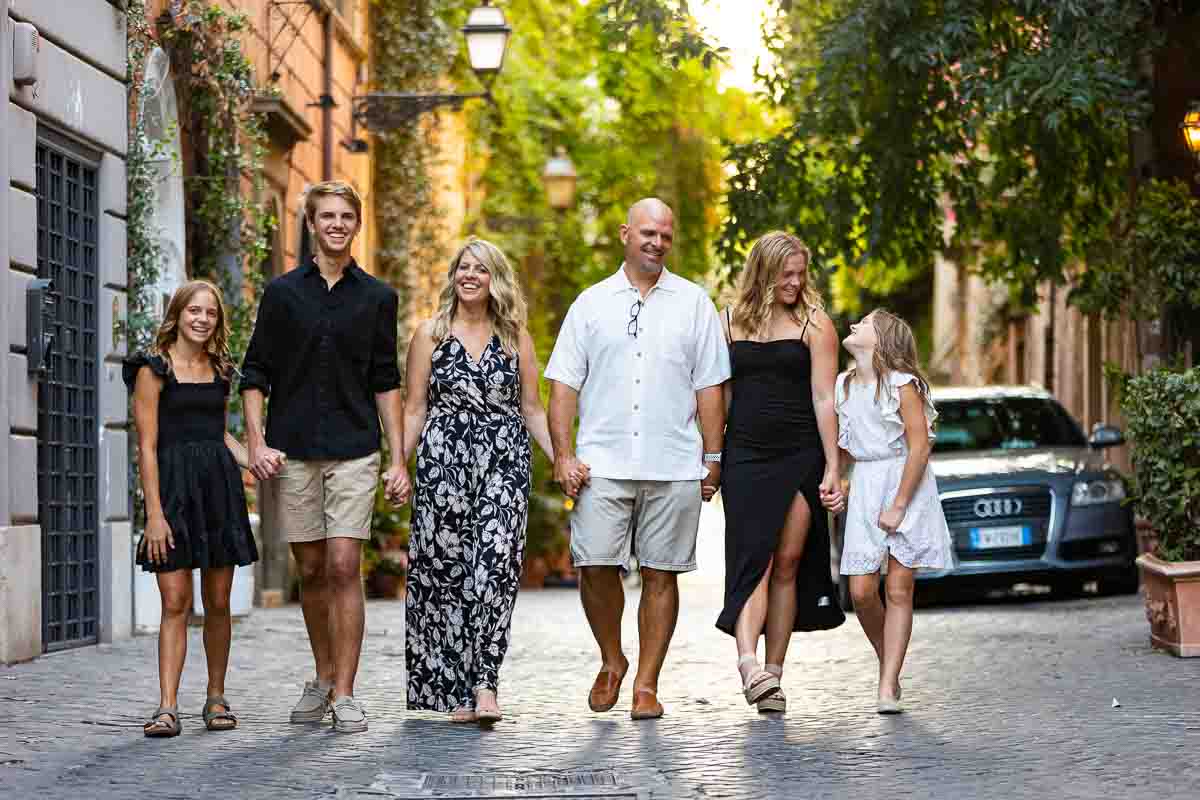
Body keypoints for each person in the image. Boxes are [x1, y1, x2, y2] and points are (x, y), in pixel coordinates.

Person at [546, 198, 731, 721]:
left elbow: (710, 386)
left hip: (673, 461)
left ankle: (647, 684)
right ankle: (612, 658)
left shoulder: (694, 303)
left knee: (661, 573)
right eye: (648, 233)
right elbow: (563, 385)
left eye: (666, 236)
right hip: (601, 462)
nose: (657, 242)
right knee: (594, 564)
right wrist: (563, 455)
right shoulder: (591, 304)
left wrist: (713, 456)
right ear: (626, 234)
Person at [239, 180, 409, 734]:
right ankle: (323, 675)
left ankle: (347, 691)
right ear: (311, 224)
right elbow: (255, 373)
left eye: (345, 216)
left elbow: (387, 381)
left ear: (357, 224)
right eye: (326, 216)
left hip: (355, 448)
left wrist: (397, 457)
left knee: (342, 565)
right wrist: (258, 442)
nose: (336, 224)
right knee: (310, 569)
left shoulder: (378, 298)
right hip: (294, 450)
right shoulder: (282, 294)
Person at [402, 238, 580, 727]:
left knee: (495, 567)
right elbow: (415, 407)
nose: (470, 275)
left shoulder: (514, 337)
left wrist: (562, 459)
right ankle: (455, 689)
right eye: (463, 267)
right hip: (443, 463)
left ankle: (484, 683)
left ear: (495, 279)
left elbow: (532, 408)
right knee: (446, 573)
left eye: (481, 269)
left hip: (503, 460)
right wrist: (398, 462)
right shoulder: (429, 335)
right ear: (453, 276)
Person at [715, 232, 846, 714]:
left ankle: (773, 674)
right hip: (745, 456)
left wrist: (833, 466)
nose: (793, 283)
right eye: (784, 274)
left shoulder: (815, 324)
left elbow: (825, 398)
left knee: (788, 561)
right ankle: (748, 664)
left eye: (799, 274)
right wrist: (712, 457)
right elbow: (718, 397)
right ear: (763, 273)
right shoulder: (727, 323)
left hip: (799, 456)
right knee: (755, 561)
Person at [126, 280, 258, 738]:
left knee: (218, 602)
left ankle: (216, 697)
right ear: (178, 314)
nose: (203, 320)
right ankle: (166, 707)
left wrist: (255, 457)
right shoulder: (153, 368)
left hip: (218, 490)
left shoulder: (219, 368)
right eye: (194, 311)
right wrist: (155, 514)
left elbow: (218, 433)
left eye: (211, 314)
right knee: (175, 602)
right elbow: (146, 445)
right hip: (174, 493)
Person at [836, 308, 953, 714]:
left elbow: (920, 446)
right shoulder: (843, 385)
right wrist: (839, 481)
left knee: (899, 588)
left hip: (907, 483)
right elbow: (845, 447)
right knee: (861, 591)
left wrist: (899, 504)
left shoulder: (903, 385)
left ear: (882, 339)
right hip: (868, 483)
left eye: (864, 324)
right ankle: (891, 664)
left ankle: (887, 685)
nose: (854, 326)